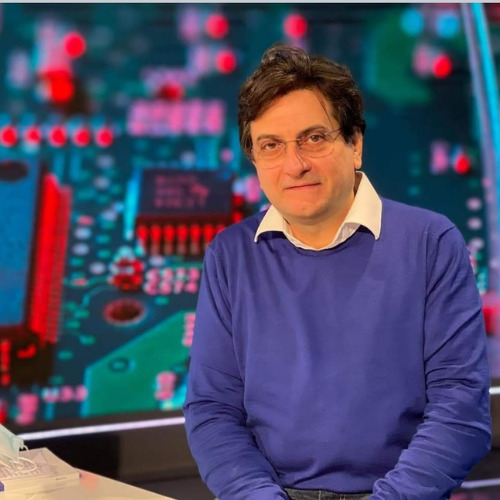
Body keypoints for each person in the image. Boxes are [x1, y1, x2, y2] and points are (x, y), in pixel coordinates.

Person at [183, 44, 491, 500]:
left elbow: (460, 411)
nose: (295, 165)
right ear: (255, 160)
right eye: (271, 146)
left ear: (355, 144)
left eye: (314, 138)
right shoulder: (230, 255)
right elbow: (212, 411)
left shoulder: (430, 242)